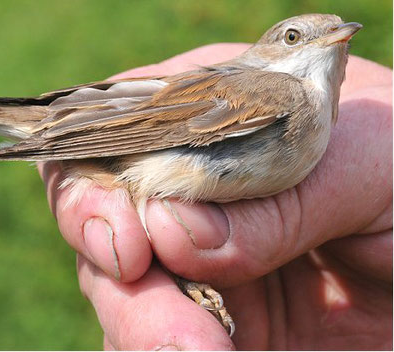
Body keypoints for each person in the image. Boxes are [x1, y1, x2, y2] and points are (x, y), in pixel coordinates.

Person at [38, 43, 393, 350]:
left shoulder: (316, 109)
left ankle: (183, 277)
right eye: (293, 37)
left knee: (165, 232)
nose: (330, 42)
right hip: (123, 142)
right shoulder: (283, 92)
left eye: (341, 43)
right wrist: (58, 134)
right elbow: (159, 125)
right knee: (164, 227)